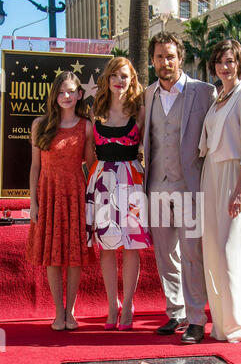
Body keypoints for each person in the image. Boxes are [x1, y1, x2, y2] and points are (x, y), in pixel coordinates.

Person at [143, 32, 216, 344]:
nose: (165, 62)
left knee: (191, 253)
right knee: (165, 255)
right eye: (159, 56)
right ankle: (176, 312)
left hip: (189, 186)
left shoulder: (203, 92)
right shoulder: (148, 95)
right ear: (152, 60)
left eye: (170, 55)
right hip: (157, 184)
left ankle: (197, 319)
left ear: (180, 57)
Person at [199, 39, 241, 343]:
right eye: (220, 61)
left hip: (235, 177)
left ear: (240, 63)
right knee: (212, 251)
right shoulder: (218, 98)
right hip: (211, 175)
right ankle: (223, 325)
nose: (225, 66)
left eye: (231, 61)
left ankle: (238, 324)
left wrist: (239, 190)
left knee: (229, 253)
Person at [86, 57, 152, 331]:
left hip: (132, 180)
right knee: (108, 247)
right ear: (107, 79)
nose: (119, 80)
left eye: (124, 76)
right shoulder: (95, 110)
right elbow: (89, 153)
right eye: (114, 75)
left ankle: (129, 304)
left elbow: (149, 148)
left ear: (132, 80)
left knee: (132, 246)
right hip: (102, 182)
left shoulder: (140, 111)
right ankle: (113, 306)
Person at [26, 71, 94, 331]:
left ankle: (71, 311)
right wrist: (34, 202)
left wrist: (92, 201)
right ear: (54, 95)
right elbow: (34, 167)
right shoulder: (40, 125)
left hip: (76, 195)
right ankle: (58, 312)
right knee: (52, 256)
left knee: (75, 256)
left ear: (79, 94)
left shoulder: (86, 126)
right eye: (61, 92)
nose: (66, 96)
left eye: (71, 91)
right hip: (48, 194)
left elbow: (90, 165)